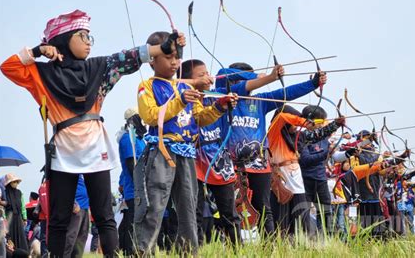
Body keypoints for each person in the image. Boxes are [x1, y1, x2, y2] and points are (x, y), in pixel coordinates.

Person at [0, 10, 186, 256]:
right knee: (59, 217)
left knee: (104, 214)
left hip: (95, 147)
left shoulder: (99, 67)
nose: (88, 42)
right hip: (63, 152)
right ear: (64, 39)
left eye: (90, 37)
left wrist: (163, 47)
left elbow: (129, 57)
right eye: (82, 36)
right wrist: (36, 52)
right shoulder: (40, 73)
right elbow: (8, 67)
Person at [134, 31, 237, 254]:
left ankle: (189, 251)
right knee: (155, 204)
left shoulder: (186, 87)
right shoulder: (147, 86)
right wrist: (179, 102)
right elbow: (151, 116)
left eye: (177, 57)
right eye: (168, 57)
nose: (174, 62)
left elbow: (199, 118)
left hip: (187, 152)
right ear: (152, 59)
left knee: (189, 205)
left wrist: (220, 106)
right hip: (163, 151)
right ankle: (143, 251)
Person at [215, 63, 327, 237]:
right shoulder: (222, 98)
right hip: (228, 163)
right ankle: (233, 246)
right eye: (242, 79)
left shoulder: (260, 101)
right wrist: (258, 77)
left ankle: (270, 248)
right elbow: (222, 76)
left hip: (258, 163)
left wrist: (312, 84)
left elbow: (286, 94)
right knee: (230, 209)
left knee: (263, 208)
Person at [180, 59, 284, 245]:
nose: (208, 77)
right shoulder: (182, 95)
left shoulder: (218, 94)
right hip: (193, 160)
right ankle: (195, 250)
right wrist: (258, 75)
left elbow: (282, 94)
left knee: (231, 212)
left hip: (220, 162)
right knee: (193, 210)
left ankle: (241, 248)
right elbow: (223, 72)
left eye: (207, 73)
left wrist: (312, 83)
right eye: (201, 74)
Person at [268, 105, 344, 236]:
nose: (296, 126)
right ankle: (282, 242)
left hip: (295, 175)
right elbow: (281, 116)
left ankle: (302, 241)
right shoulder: (275, 131)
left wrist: (335, 124)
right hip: (281, 174)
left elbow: (317, 134)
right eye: (293, 122)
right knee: (282, 213)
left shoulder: (297, 136)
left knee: (300, 211)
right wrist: (304, 121)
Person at [117, 107, 146, 255]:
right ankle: (129, 252)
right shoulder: (128, 138)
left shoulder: (139, 139)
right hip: (134, 189)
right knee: (133, 224)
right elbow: (131, 165)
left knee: (139, 224)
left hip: (142, 188)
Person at [64, 176, 90, 257]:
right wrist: (73, 203)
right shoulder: (72, 168)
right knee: (71, 237)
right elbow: (65, 185)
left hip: (85, 207)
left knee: (82, 238)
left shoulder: (84, 172)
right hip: (76, 208)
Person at [3, 173, 29, 252]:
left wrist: (24, 218)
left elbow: (22, 207)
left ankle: (21, 254)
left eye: (17, 182)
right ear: (9, 183)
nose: (16, 183)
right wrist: (4, 220)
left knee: (20, 237)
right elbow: (3, 209)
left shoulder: (19, 193)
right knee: (10, 238)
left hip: (18, 218)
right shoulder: (4, 193)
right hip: (9, 219)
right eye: (14, 182)